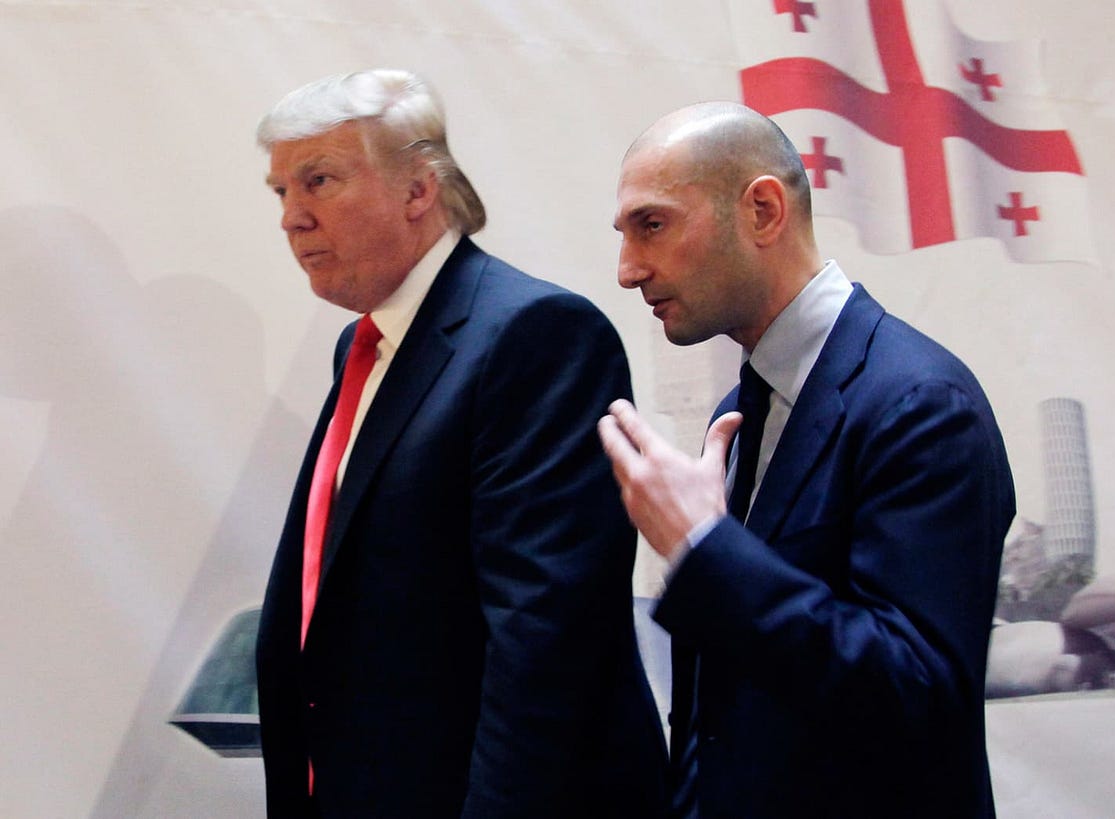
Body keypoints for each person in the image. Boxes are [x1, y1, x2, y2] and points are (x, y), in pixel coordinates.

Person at [253, 69, 665, 817]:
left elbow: (544, 639)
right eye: (281, 191)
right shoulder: (365, 343)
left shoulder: (537, 334)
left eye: (318, 181)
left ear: (419, 189)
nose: (292, 218)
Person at [598, 101, 1015, 818]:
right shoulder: (741, 406)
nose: (628, 270)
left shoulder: (921, 403)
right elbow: (720, 710)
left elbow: (918, 698)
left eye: (653, 224)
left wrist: (705, 549)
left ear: (763, 211)